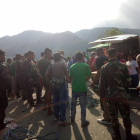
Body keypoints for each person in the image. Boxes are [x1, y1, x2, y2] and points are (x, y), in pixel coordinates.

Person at [99, 48, 137, 140]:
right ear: (116, 54)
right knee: (126, 115)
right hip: (122, 95)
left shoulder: (104, 67)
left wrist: (102, 96)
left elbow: (102, 84)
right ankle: (129, 136)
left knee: (113, 116)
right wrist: (124, 88)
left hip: (110, 95)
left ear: (108, 55)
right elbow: (128, 81)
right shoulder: (123, 66)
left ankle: (117, 136)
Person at [46, 52, 69, 126]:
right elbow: (66, 73)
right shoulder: (62, 64)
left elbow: (46, 75)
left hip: (53, 85)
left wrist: (49, 83)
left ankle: (56, 116)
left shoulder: (51, 65)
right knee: (62, 101)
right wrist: (68, 79)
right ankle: (62, 119)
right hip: (62, 84)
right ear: (60, 57)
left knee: (55, 100)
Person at [69, 52, 91, 126]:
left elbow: (70, 78)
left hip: (74, 89)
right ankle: (83, 121)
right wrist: (84, 80)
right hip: (83, 88)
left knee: (73, 104)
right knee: (83, 106)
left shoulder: (72, 66)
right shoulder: (86, 66)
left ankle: (72, 118)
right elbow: (88, 76)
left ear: (75, 57)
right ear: (82, 58)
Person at [91, 48, 110, 124]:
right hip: (110, 81)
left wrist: (93, 82)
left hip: (103, 81)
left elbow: (99, 72)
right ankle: (110, 116)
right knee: (108, 99)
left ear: (98, 52)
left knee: (103, 99)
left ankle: (106, 118)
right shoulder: (106, 58)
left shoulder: (98, 59)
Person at [38, 48, 53, 114]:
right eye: (50, 54)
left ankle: (44, 106)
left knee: (47, 92)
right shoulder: (46, 62)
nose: (51, 55)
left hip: (43, 78)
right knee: (49, 93)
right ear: (47, 53)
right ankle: (49, 110)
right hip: (47, 79)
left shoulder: (40, 60)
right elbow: (50, 72)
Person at [0, 49, 12, 130]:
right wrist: (10, 90)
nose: (5, 57)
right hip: (1, 91)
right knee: (2, 106)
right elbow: (7, 80)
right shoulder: (2, 67)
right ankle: (1, 124)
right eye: (4, 55)